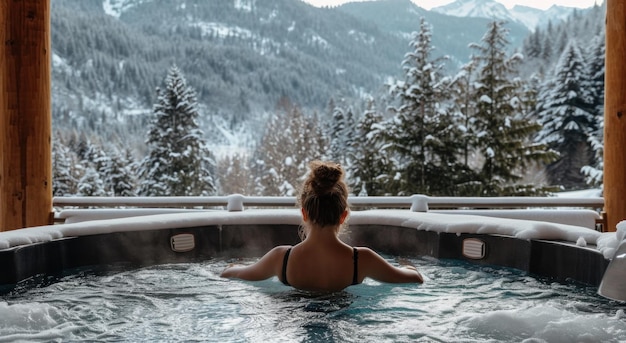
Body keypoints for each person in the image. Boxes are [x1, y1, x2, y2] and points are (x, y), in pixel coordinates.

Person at [220, 160, 423, 292]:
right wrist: (409, 266)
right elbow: (414, 279)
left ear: (304, 213)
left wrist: (232, 266)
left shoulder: (281, 258)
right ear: (343, 216)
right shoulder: (362, 259)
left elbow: (234, 274)